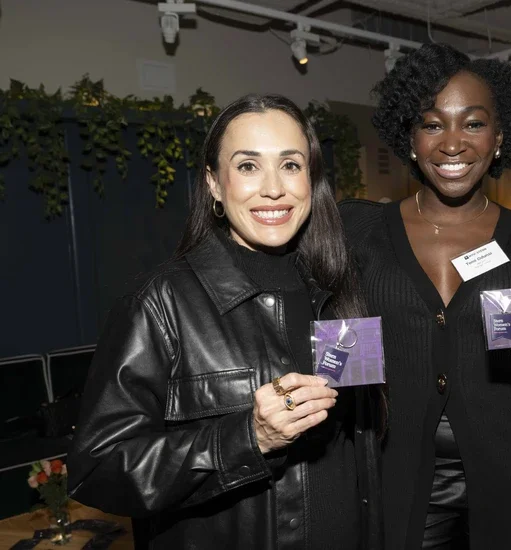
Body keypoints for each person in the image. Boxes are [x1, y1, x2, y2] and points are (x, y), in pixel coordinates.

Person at [67, 94, 383, 550]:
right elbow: (98, 470)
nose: (274, 188)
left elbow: (362, 446)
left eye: (291, 165)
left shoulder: (340, 290)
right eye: (248, 166)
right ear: (215, 184)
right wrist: (246, 437)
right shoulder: (160, 304)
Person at [340, 43, 511, 550]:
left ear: (499, 138)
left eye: (473, 124)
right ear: (409, 139)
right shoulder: (357, 232)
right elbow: (344, 368)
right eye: (433, 124)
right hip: (395, 485)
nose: (452, 143)